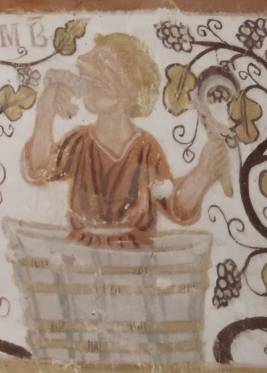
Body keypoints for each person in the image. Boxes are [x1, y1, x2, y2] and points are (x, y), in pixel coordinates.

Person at [24, 33, 223, 247]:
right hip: (82, 255)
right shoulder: (80, 141)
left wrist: (203, 174)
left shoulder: (145, 149)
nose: (85, 63)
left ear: (131, 82)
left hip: (133, 258)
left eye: (102, 60)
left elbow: (174, 205)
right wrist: (45, 112)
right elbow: (40, 169)